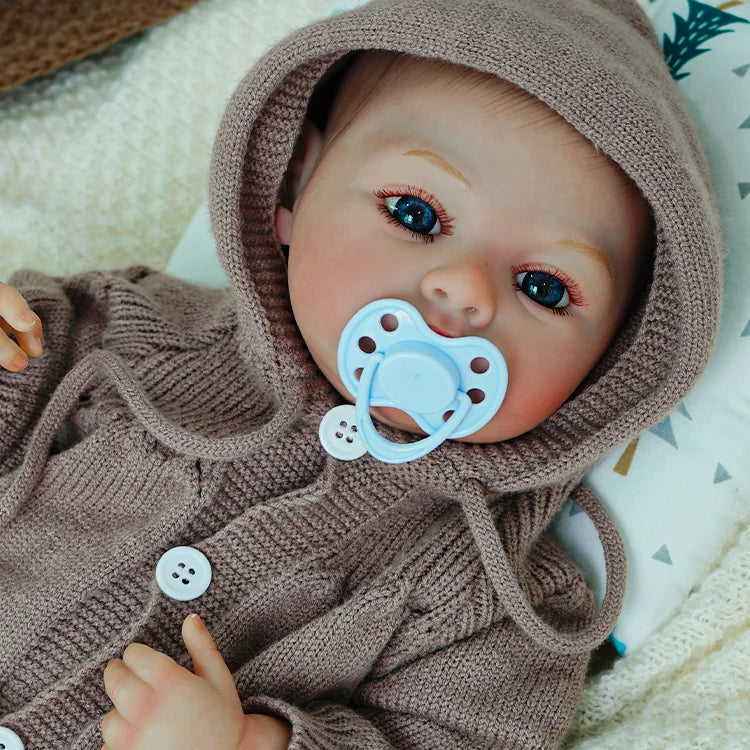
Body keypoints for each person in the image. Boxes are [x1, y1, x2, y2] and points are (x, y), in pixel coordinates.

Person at [0, 0, 722, 748]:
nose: (467, 292)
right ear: (293, 187)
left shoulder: (495, 605)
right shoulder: (126, 331)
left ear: (610, 368)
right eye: (415, 214)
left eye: (543, 287)